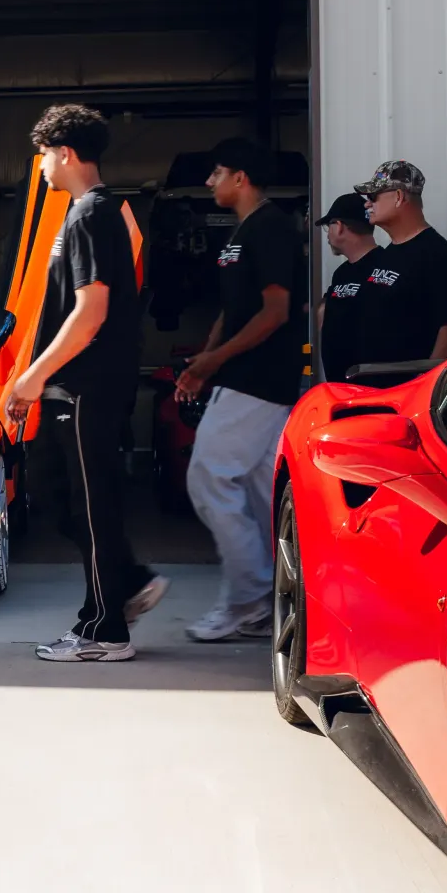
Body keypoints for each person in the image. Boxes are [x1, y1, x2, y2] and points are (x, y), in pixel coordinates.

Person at [3, 102, 165, 666]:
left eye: (45, 155)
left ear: (65, 153)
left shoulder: (92, 214)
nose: (42, 165)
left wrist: (32, 378)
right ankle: (125, 585)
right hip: (72, 387)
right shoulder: (83, 214)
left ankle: (105, 630)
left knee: (92, 505)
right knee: (56, 495)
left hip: (86, 386)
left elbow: (90, 312)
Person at [178, 137, 303, 643]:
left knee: (208, 477)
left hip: (259, 379)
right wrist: (204, 362)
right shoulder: (242, 230)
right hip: (238, 376)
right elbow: (233, 310)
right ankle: (264, 604)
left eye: (217, 172)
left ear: (240, 178)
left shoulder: (272, 228)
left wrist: (216, 360)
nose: (210, 181)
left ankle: (248, 596)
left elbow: (275, 312)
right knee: (255, 491)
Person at [351, 159, 447, 375]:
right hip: (372, 386)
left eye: (373, 197)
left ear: (399, 196)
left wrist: (425, 384)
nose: (367, 204)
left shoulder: (436, 253)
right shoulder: (388, 253)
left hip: (406, 389)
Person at [317, 190, 377, 383]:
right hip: (339, 387)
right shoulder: (341, 273)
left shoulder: (385, 268)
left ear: (339, 226)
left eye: (328, 226)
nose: (328, 235)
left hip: (372, 387)